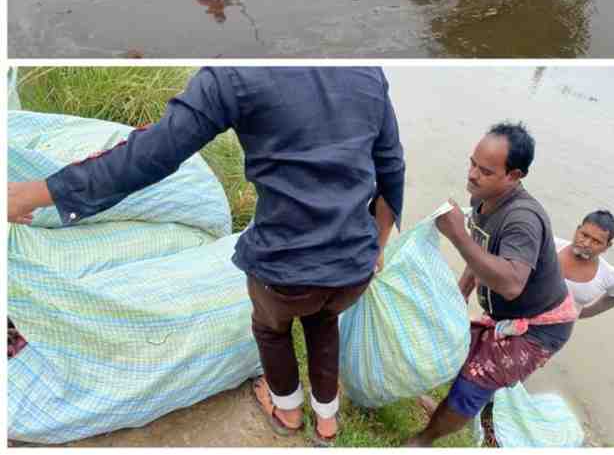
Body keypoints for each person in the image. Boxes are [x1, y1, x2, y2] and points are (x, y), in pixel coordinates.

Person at [7, 68, 403, 445]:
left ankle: (288, 412)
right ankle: (327, 422)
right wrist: (378, 247)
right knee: (324, 322)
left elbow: (149, 155)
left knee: (271, 330)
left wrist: (33, 193)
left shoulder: (235, 74)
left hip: (283, 269)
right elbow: (391, 166)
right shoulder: (366, 70)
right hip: (353, 266)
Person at [412, 123, 576, 447]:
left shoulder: (522, 219)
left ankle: (424, 439)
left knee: (475, 379)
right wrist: (459, 295)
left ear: (514, 176)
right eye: (472, 163)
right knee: (459, 351)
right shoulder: (483, 199)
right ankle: (452, 412)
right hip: (505, 315)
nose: (472, 175)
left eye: (485, 170)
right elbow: (482, 253)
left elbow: (512, 284)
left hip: (539, 329)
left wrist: (457, 234)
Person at [555, 210, 614, 318]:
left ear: (607, 246)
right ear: (578, 229)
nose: (586, 243)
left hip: (555, 330)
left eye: (596, 241)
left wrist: (585, 313)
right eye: (584, 235)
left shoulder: (609, 275)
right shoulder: (550, 246)